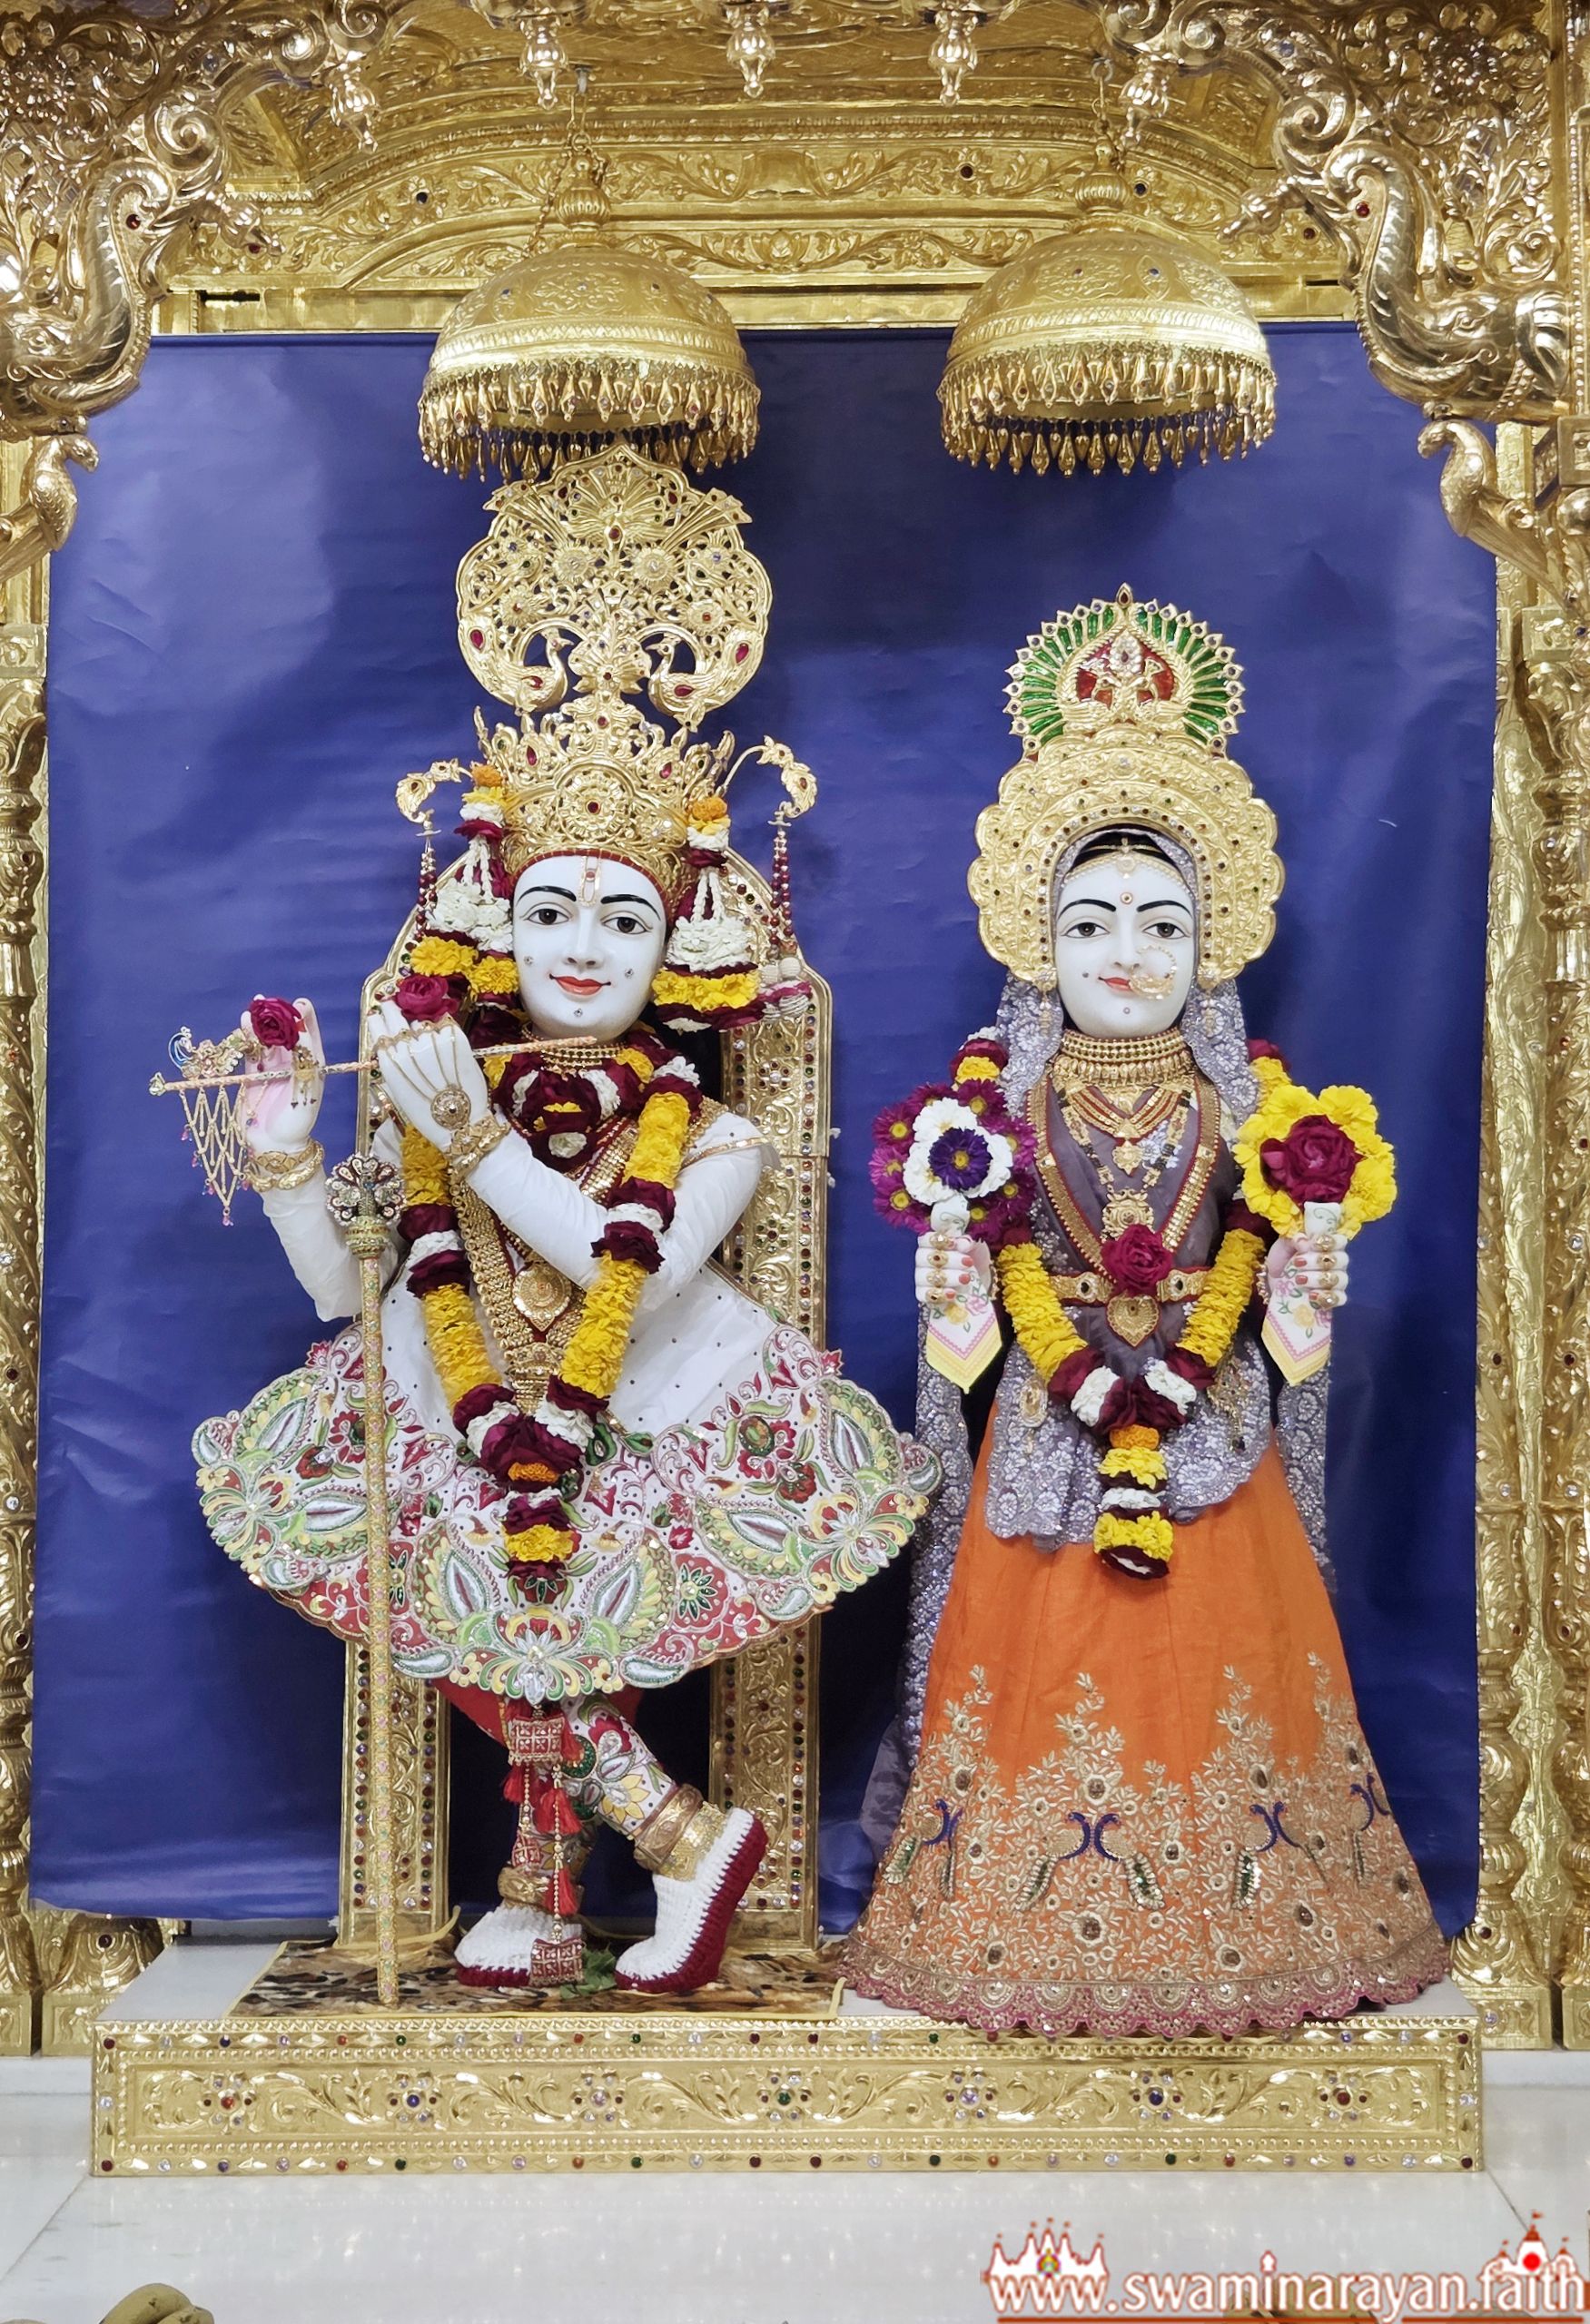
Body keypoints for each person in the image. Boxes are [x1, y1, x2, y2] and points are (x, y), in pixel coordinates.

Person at [194, 448, 933, 1994]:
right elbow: (343, 1289)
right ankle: (664, 1837)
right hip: (450, 1392)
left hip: (651, 1401)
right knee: (462, 1604)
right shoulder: (432, 1094)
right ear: (496, 923)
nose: (583, 946)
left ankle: (592, 1869)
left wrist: (469, 1132)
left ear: (676, 949)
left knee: (568, 1601)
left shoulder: (712, 1132)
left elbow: (631, 1274)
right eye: (549, 909)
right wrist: (285, 1159)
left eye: (624, 916)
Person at [843, 586, 1447, 2038]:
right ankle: (1015, 1937)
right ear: (1038, 941)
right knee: (1046, 1679)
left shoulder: (1256, 1108)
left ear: (1211, 943)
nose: (1129, 952)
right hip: (1049, 1436)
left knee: (1218, 1673)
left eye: (1165, 924)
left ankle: (1247, 1929)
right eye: (1093, 921)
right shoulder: (996, 1108)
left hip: (1211, 1432)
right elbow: (971, 1333)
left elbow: (1285, 1325)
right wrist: (953, 1285)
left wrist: (1300, 1287)